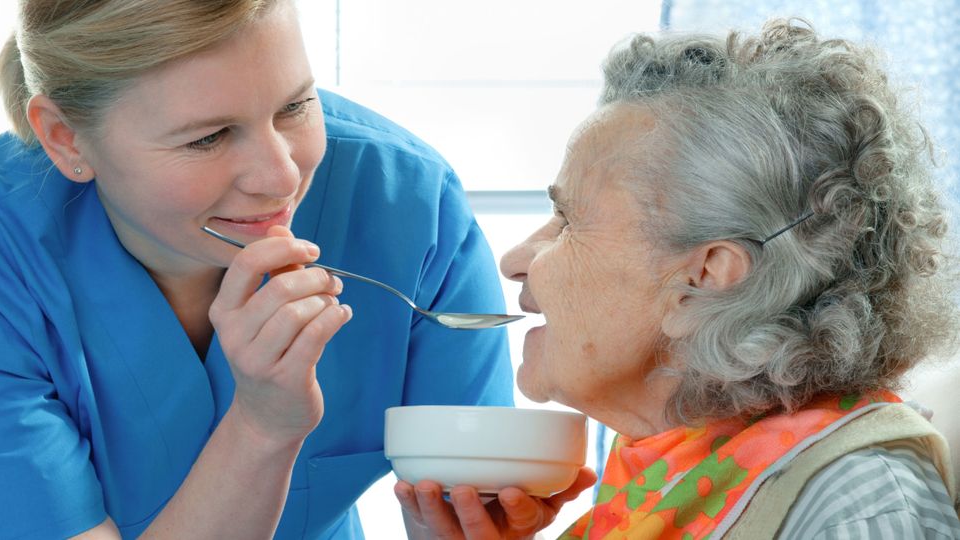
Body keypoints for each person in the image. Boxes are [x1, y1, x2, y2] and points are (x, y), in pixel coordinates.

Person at [0, 1, 520, 538]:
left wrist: (475, 519)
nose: (283, 176)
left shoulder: (409, 208)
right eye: (208, 138)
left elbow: (462, 500)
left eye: (294, 106)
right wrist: (264, 424)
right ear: (66, 138)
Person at [395, 18, 960, 539]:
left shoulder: (858, 502)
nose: (516, 258)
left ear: (705, 278)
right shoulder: (664, 483)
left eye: (568, 220)